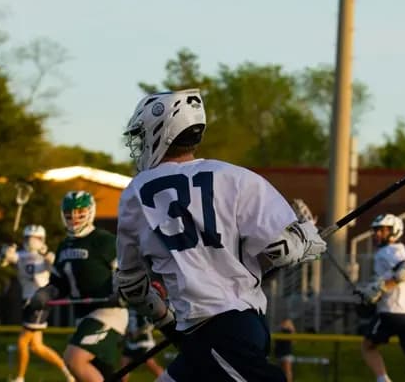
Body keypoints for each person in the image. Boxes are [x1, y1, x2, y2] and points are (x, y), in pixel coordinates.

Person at [114, 89, 327, 382]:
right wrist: (307, 238)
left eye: (142, 135)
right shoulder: (236, 177)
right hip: (231, 325)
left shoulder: (136, 192)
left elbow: (131, 284)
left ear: (160, 131)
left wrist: (166, 321)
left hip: (216, 330)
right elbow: (282, 250)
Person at [25, 191, 128, 381]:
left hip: (107, 313)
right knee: (101, 373)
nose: (74, 216)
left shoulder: (104, 240)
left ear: (90, 211)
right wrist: (45, 293)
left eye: (80, 211)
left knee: (74, 359)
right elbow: (58, 283)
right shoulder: (64, 246)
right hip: (83, 316)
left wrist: (122, 290)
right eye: (69, 212)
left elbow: (127, 270)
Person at [358, 213, 405, 382]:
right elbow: (392, 276)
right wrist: (372, 290)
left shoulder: (389, 250)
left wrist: (381, 288)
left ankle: (383, 379)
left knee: (367, 347)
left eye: (382, 230)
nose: (377, 234)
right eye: (376, 230)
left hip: (392, 312)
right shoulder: (398, 250)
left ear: (394, 231)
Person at [0, 226, 74, 382]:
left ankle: (20, 378)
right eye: (28, 238)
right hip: (27, 302)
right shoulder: (20, 255)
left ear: (42, 239)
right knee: (36, 346)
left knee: (22, 341)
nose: (31, 241)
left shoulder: (46, 256)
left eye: (35, 238)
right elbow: (2, 263)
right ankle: (68, 372)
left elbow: (57, 268)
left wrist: (48, 256)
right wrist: (5, 253)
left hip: (39, 302)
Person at [120, 308, 164, 382]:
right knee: (123, 366)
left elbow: (150, 324)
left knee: (151, 365)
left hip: (144, 343)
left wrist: (138, 332)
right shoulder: (128, 308)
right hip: (130, 344)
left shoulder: (141, 308)